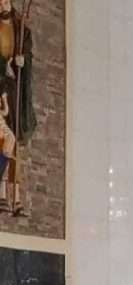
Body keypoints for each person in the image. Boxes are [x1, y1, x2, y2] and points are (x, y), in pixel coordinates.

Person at [0, 0, 36, 215]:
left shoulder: (20, 28)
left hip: (13, 92)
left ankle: (16, 197)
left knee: (14, 144)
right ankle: (2, 194)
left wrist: (23, 62)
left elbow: (25, 55)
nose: (2, 3)